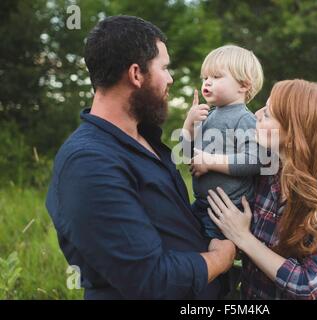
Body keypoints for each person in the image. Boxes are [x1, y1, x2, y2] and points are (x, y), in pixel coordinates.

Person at [45, 15, 235, 300]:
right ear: (136, 74)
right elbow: (149, 279)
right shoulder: (89, 163)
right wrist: (220, 259)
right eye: (165, 68)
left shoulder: (145, 140)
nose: (170, 79)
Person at [206, 79, 317, 299]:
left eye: (269, 114)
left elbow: (309, 285)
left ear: (294, 136)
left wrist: (244, 237)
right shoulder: (262, 168)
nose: (257, 115)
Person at [181, 45, 264, 240]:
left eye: (216, 77)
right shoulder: (208, 116)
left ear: (243, 85)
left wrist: (209, 161)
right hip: (202, 204)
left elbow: (253, 160)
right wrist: (188, 125)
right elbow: (186, 156)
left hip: (229, 210)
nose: (207, 82)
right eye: (205, 78)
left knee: (211, 254)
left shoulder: (244, 119)